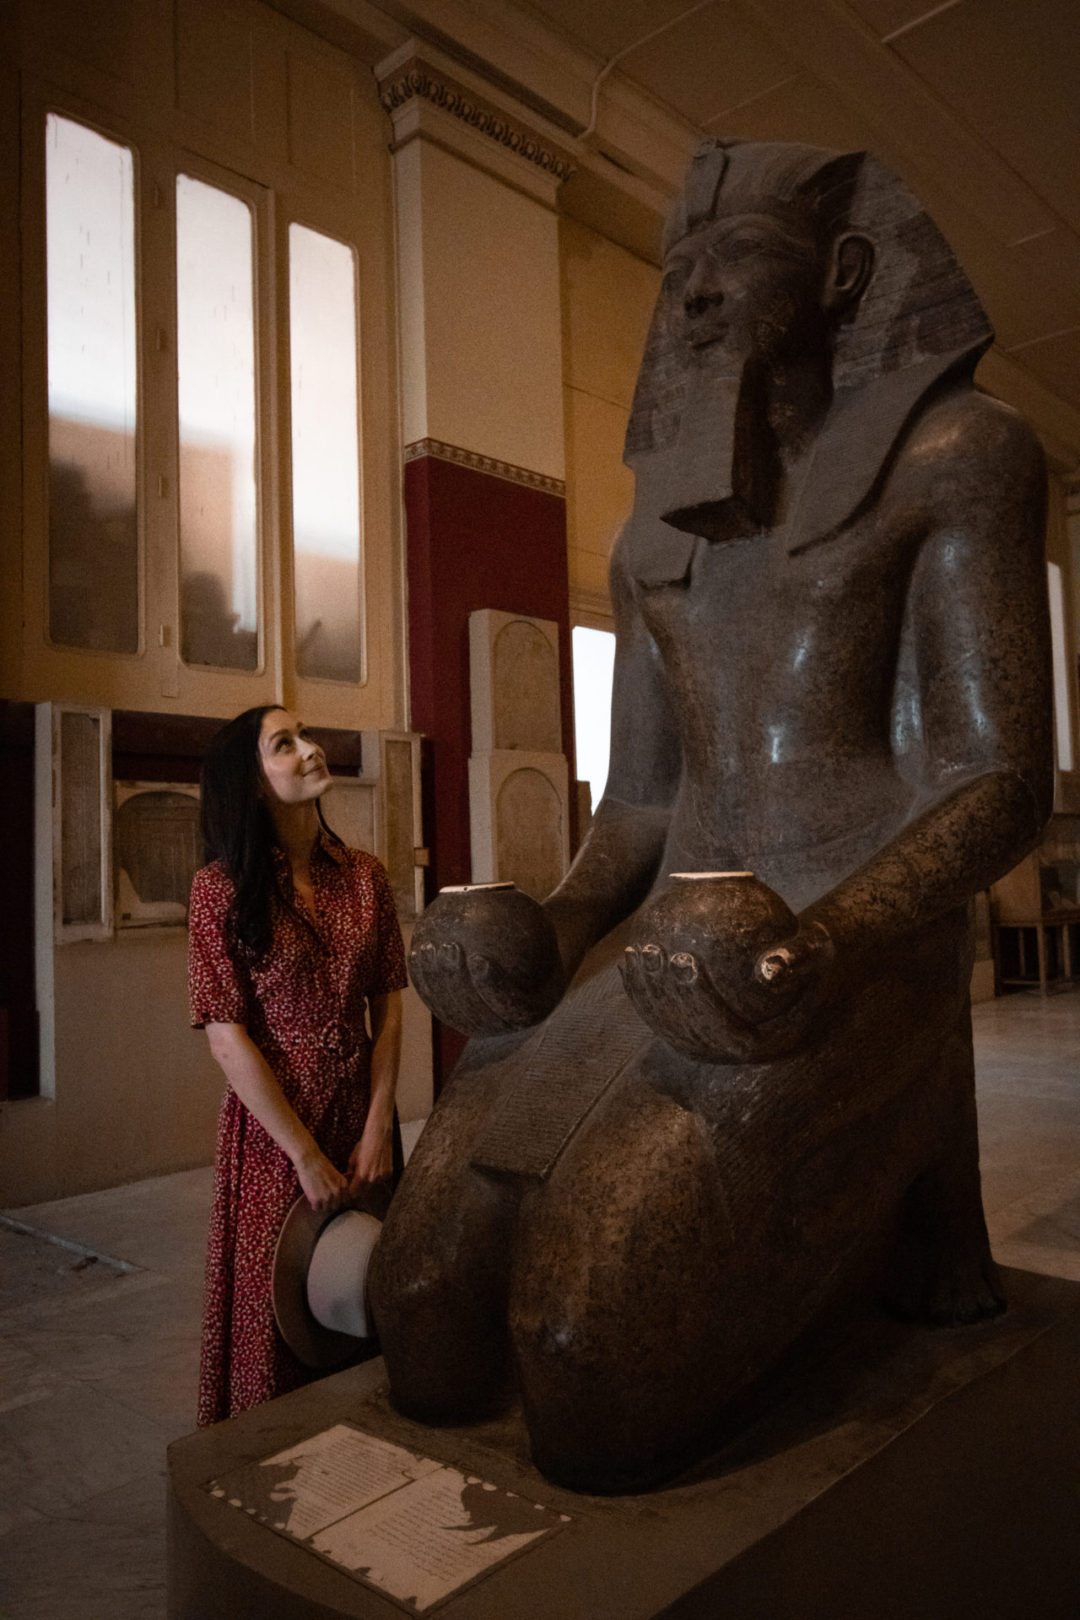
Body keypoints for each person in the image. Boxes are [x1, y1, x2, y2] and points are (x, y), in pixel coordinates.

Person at [369, 140, 1053, 1493]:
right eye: (675, 269)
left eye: (729, 258)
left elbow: (994, 777)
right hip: (676, 947)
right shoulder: (650, 545)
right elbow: (646, 803)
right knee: (423, 1308)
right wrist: (550, 923)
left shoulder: (963, 457)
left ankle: (903, 1154)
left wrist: (833, 943)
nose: (686, 295)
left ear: (844, 273)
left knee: (586, 1356)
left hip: (836, 941)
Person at [188, 705, 407, 1426]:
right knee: (278, 1318)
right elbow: (228, 1039)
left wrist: (380, 1125)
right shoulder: (219, 890)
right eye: (285, 744)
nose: (310, 750)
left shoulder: (366, 877)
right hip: (278, 1132)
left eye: (305, 734)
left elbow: (390, 1008)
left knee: (363, 1295)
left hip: (361, 1115)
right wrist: (304, 1155)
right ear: (253, 783)